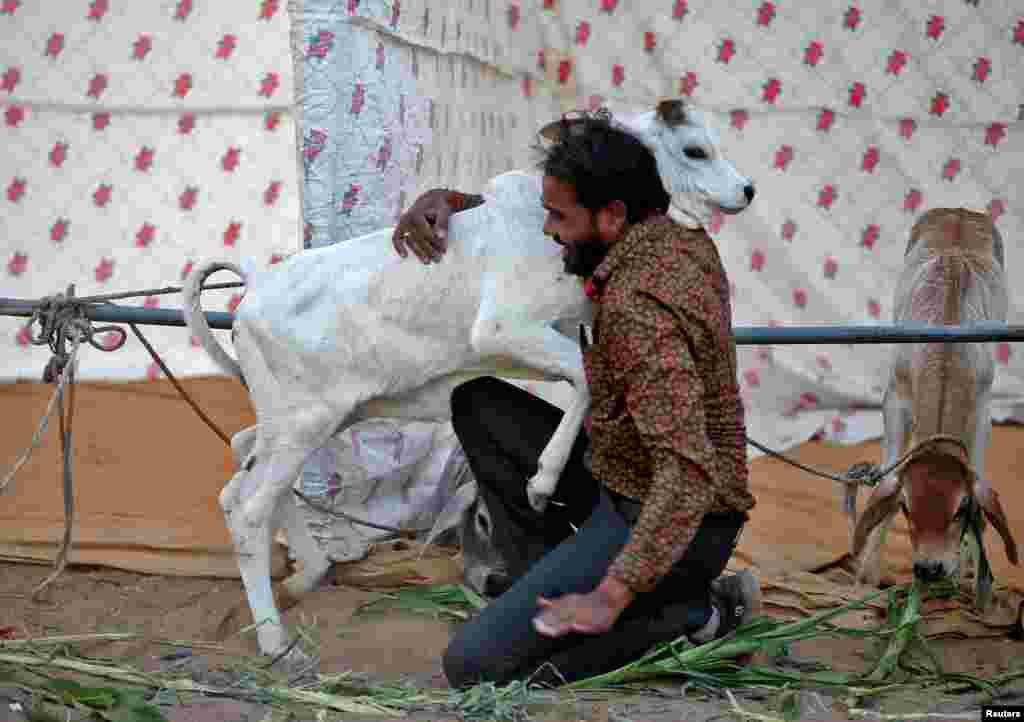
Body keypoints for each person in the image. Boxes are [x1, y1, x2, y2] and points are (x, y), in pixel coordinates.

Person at [391, 109, 760, 687]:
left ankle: (696, 611)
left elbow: (688, 473)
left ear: (612, 215)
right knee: (479, 406)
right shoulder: (674, 234)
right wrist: (452, 201)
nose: (547, 231)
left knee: (476, 666)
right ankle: (549, 586)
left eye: (558, 218)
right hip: (620, 475)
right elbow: (550, 213)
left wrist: (611, 596)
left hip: (672, 518)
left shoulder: (640, 309)